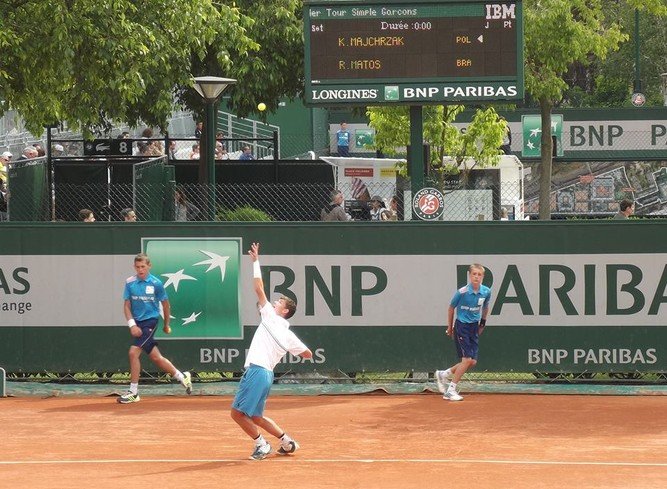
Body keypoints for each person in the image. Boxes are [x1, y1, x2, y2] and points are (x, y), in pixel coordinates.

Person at [230, 242, 312, 460]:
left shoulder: (271, 317)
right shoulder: (288, 334)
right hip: (267, 375)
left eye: (279, 302)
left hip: (257, 372)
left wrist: (255, 261)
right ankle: (287, 442)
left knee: (237, 414)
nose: (275, 302)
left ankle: (262, 444)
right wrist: (283, 348)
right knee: (256, 416)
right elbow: (308, 354)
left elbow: (258, 288)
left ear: (283, 311)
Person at [118, 253, 192, 404]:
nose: (140, 270)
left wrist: (166, 325)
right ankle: (181, 376)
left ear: (149, 266)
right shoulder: (129, 282)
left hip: (151, 321)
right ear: (134, 267)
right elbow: (126, 306)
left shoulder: (156, 283)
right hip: (137, 323)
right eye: (138, 267)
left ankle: (133, 392)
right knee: (156, 357)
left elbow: (165, 305)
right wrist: (132, 324)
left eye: (143, 267)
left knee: (133, 353)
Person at [435, 263, 491, 402]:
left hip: (474, 327)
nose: (476, 277)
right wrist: (450, 327)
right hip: (462, 326)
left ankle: (444, 374)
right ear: (469, 275)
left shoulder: (486, 291)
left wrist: (482, 322)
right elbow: (451, 308)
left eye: (479, 274)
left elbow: (485, 307)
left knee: (472, 362)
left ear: (482, 277)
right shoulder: (462, 292)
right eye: (474, 274)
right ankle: (450, 391)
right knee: (466, 360)